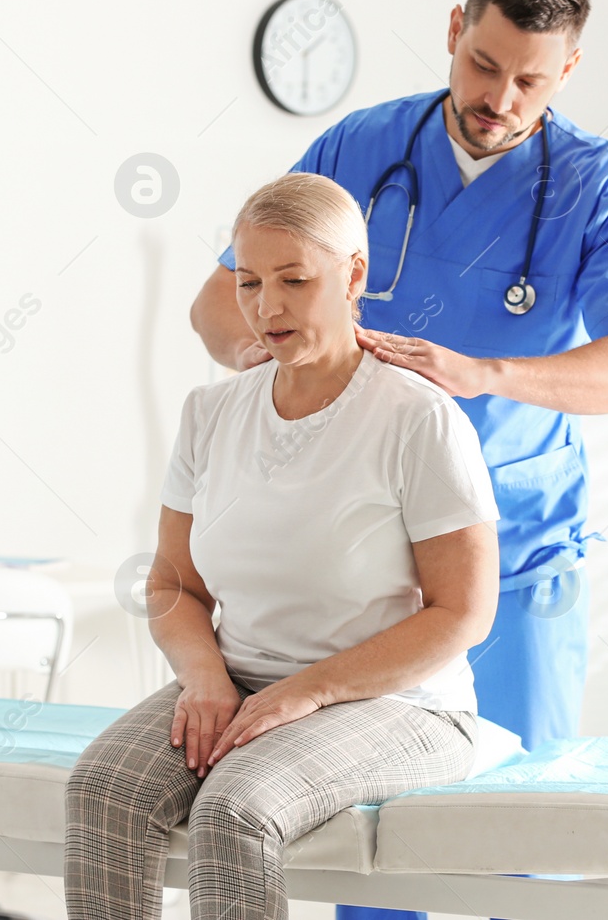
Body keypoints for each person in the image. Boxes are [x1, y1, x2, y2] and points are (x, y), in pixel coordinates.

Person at [189, 0, 608, 920]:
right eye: (483, 64)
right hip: (366, 567)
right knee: (371, 842)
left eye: (530, 79)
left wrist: (482, 372)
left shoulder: (598, 184)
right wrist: (279, 352)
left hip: (521, 547)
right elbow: (217, 302)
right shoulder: (358, 147)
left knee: (525, 838)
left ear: (567, 71)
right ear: (455, 29)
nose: (500, 95)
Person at [65, 172, 501, 920]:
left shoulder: (416, 419)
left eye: (294, 280)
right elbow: (174, 581)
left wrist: (309, 688)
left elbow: (463, 612)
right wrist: (204, 676)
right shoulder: (211, 412)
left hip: (401, 702)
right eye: (249, 282)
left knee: (234, 809)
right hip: (240, 680)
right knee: (103, 788)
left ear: (353, 274)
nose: (267, 307)